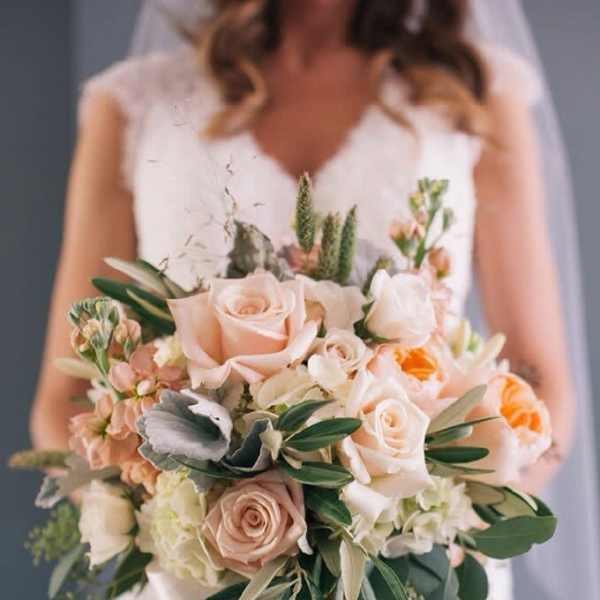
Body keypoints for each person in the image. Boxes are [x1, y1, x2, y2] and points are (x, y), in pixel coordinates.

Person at [29, 1, 586, 598]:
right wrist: (186, 527)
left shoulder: (474, 94)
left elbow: (538, 382)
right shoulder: (134, 105)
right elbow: (64, 401)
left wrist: (419, 533)